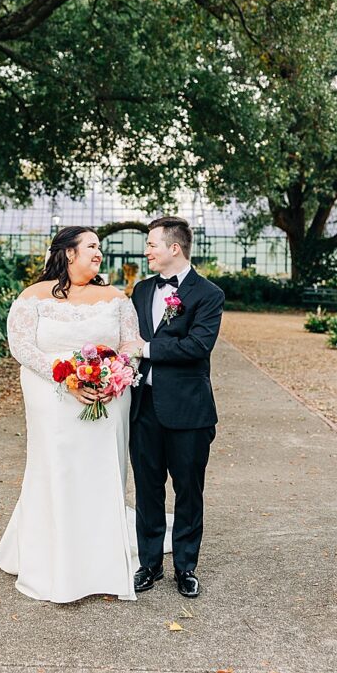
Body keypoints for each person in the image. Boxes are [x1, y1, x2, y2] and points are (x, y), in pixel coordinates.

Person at [0, 226, 144, 604]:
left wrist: (113, 372)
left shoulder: (115, 297)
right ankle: (55, 560)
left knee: (102, 469)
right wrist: (68, 379)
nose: (98, 253)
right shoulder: (33, 297)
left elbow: (131, 342)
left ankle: (102, 557)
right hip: (52, 395)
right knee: (58, 468)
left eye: (99, 248)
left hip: (108, 398)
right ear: (68, 253)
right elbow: (22, 346)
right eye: (91, 246)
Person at [129, 217, 224, 602]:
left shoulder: (208, 294)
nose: (147, 250)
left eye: (152, 244)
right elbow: (124, 339)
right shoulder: (139, 291)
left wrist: (145, 349)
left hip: (188, 411)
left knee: (188, 490)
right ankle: (150, 564)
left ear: (174, 248)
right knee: (147, 490)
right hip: (144, 408)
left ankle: (186, 567)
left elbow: (198, 347)